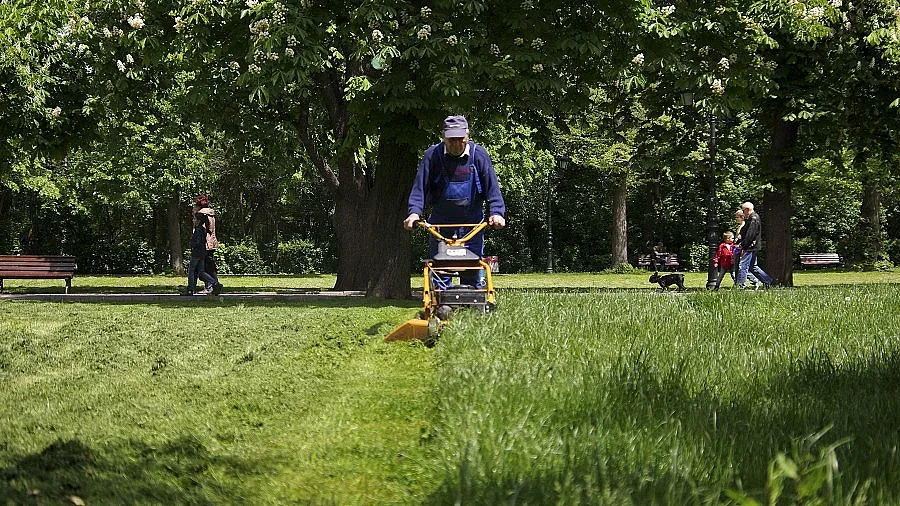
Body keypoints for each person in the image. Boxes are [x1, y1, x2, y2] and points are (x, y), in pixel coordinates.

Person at [403, 115, 506, 288]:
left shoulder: (478, 155)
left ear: (467, 136)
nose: (456, 144)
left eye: (460, 140)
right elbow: (419, 188)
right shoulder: (433, 155)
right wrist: (414, 213)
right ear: (444, 137)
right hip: (441, 225)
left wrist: (496, 213)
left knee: (473, 270)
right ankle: (440, 309)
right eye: (451, 140)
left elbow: (492, 188)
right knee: (440, 271)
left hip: (473, 224)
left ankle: (473, 310)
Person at [735, 201, 775, 289]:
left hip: (750, 246)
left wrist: (743, 244)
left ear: (747, 209)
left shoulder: (754, 218)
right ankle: (768, 281)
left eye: (743, 210)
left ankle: (741, 286)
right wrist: (740, 238)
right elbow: (745, 230)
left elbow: (751, 234)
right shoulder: (750, 218)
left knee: (743, 266)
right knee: (753, 267)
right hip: (752, 246)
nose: (742, 212)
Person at [181, 212, 218, 295]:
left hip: (196, 253)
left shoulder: (198, 230)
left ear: (198, 220)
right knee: (201, 272)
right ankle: (215, 282)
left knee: (191, 271)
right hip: (202, 252)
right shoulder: (202, 229)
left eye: (194, 219)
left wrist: (192, 245)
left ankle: (190, 289)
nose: (193, 220)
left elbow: (197, 242)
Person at [193, 194, 223, 294]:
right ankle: (214, 284)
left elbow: (203, 230)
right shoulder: (211, 214)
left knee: (204, 267)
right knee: (210, 265)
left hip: (205, 244)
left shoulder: (202, 215)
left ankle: (210, 286)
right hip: (212, 243)